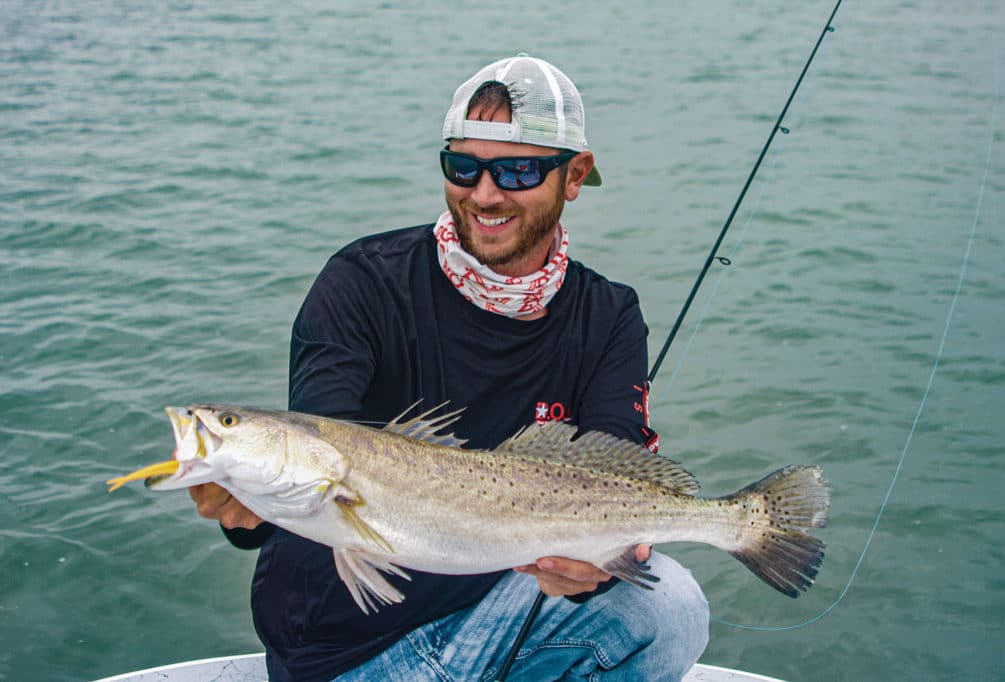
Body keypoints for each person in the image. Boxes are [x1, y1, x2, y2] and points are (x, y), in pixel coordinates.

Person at [189, 54, 710, 681]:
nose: (484, 195)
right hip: (350, 652)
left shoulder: (609, 313)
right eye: (463, 167)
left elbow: (621, 471)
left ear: (575, 175)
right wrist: (248, 505)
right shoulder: (361, 283)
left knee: (672, 607)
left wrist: (591, 573)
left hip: (508, 609)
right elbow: (315, 463)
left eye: (517, 170)